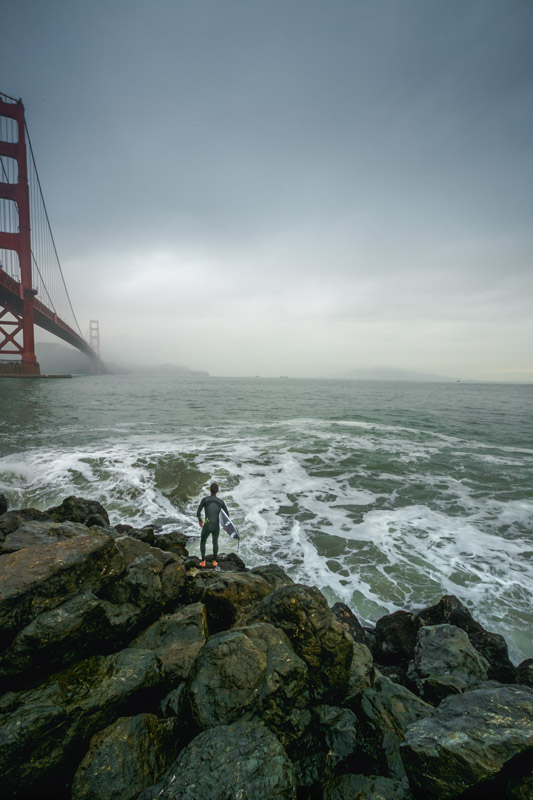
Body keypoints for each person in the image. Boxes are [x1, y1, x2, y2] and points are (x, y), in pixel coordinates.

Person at [196, 482, 229, 567]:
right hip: (216, 526)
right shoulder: (221, 502)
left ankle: (203, 561)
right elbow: (227, 515)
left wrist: (200, 521)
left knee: (203, 542)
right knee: (215, 542)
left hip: (207, 524)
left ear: (210, 490)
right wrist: (225, 526)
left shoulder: (205, 500)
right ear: (217, 491)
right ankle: (214, 561)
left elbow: (198, 512)